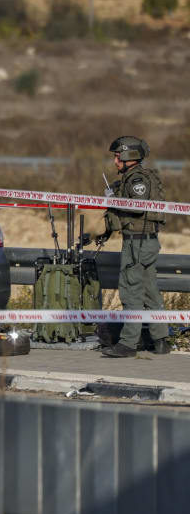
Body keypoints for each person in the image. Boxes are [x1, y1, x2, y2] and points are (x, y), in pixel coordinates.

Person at [98, 136, 171, 357]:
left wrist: (113, 201)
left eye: (117, 156)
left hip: (138, 243)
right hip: (144, 242)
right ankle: (161, 341)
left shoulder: (137, 179)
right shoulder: (132, 178)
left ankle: (128, 344)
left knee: (131, 292)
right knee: (149, 292)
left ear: (129, 156)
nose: (115, 162)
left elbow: (138, 207)